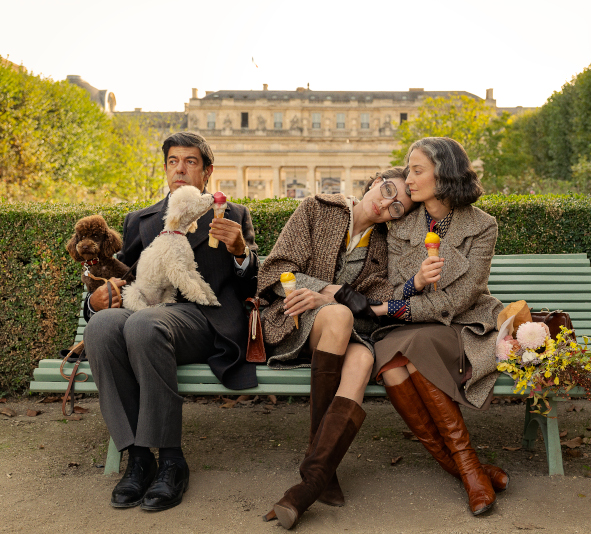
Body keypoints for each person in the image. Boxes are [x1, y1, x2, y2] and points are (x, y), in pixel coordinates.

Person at [83, 132, 259, 512]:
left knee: (145, 324)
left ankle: (173, 460)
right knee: (101, 327)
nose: (180, 168)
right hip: (147, 316)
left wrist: (240, 251)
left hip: (203, 321)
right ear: (165, 169)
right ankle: (139, 457)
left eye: (190, 161)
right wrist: (96, 300)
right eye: (173, 161)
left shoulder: (232, 215)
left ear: (207, 172)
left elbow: (255, 284)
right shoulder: (140, 220)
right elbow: (124, 277)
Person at [255, 168, 415, 529]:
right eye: (387, 189)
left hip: (343, 335)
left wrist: (408, 287)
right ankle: (322, 471)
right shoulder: (316, 208)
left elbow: (374, 300)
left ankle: (311, 481)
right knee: (340, 314)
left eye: (397, 207)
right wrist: (333, 293)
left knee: (362, 359)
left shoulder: (384, 244)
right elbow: (276, 270)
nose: (386, 203)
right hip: (292, 320)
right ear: (374, 181)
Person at [370, 137, 507, 516]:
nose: (408, 179)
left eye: (417, 170)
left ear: (442, 173)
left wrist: (396, 308)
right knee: (398, 362)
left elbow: (465, 294)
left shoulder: (482, 226)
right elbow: (394, 285)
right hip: (407, 328)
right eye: (408, 169)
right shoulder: (402, 224)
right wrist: (411, 284)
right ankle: (467, 469)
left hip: (460, 326)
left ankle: (466, 468)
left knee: (411, 353)